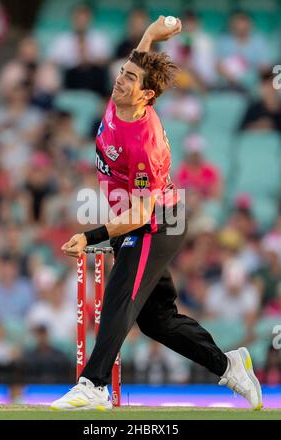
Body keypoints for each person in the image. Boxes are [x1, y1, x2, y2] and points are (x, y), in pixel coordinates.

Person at [51, 16, 262, 411]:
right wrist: (153, 30)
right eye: (122, 72)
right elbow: (142, 52)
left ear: (146, 95)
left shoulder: (145, 143)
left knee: (118, 296)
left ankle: (92, 384)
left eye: (130, 78)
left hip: (155, 224)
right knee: (156, 319)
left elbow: (142, 212)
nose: (120, 80)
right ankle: (229, 365)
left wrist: (93, 236)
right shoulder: (123, 99)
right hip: (138, 217)